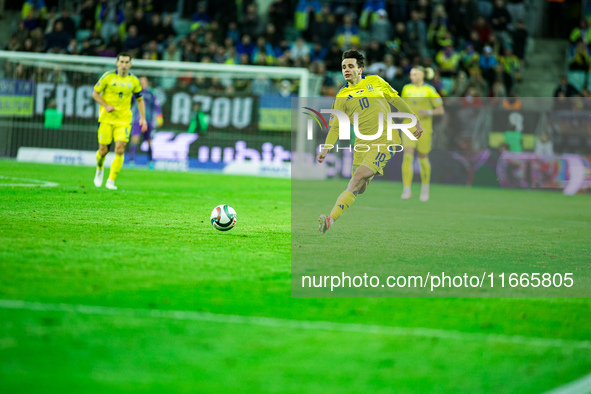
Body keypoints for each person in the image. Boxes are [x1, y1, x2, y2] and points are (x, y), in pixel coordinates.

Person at [316, 49, 423, 233]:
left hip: (385, 140)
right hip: (361, 144)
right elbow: (335, 126)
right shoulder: (341, 97)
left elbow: (396, 100)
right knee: (360, 187)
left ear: (360, 69)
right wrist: (326, 149)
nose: (346, 70)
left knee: (357, 178)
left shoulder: (376, 82)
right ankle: (332, 218)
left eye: (350, 66)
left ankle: (329, 219)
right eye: (343, 67)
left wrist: (413, 119)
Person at [92, 53, 146, 190]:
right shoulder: (108, 77)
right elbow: (95, 93)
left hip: (123, 120)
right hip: (106, 119)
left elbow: (140, 99)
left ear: (130, 64)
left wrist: (143, 118)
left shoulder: (134, 81)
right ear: (117, 63)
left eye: (126, 62)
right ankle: (99, 168)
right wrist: (106, 106)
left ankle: (111, 180)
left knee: (120, 149)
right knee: (103, 151)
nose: (123, 64)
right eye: (121, 61)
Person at [400, 66, 444, 202]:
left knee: (422, 158)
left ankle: (425, 187)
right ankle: (406, 189)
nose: (412, 76)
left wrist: (428, 112)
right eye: (411, 74)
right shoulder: (406, 88)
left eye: (415, 74)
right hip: (408, 126)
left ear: (422, 75)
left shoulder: (429, 90)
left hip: (424, 127)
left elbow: (440, 110)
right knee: (407, 156)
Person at [129, 76, 161, 169]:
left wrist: (159, 117)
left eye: (143, 82)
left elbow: (157, 106)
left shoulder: (151, 93)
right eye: (140, 82)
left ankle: (150, 162)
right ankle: (131, 161)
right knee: (135, 139)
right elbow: (129, 103)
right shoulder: (135, 92)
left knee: (149, 141)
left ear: (147, 82)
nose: (142, 84)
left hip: (149, 121)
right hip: (137, 120)